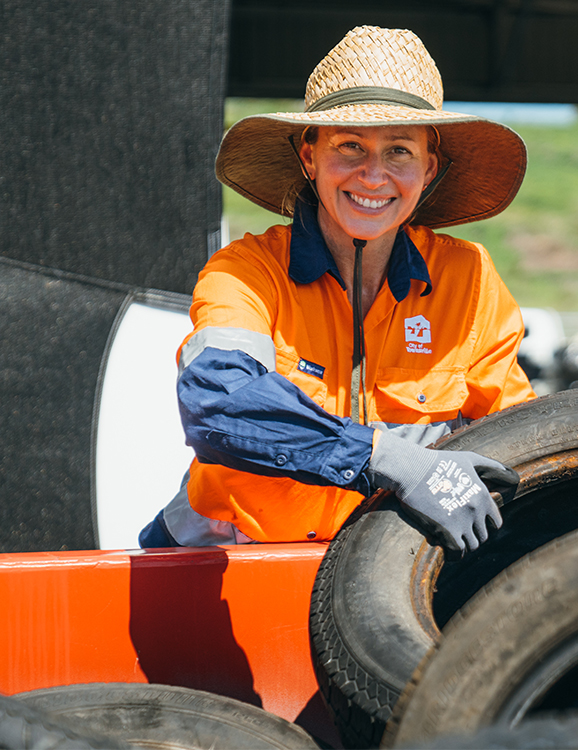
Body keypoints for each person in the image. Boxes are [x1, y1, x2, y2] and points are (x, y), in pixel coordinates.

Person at [138, 26, 537, 554]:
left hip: (381, 567)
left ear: (428, 169)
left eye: (399, 151)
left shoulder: (470, 277)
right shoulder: (246, 270)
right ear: (309, 157)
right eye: (350, 146)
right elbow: (218, 401)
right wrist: (393, 460)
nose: (373, 175)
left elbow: (524, 441)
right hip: (225, 561)